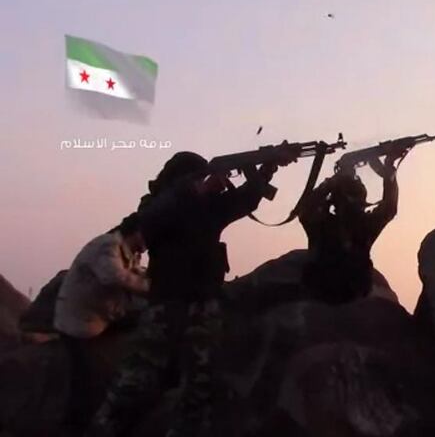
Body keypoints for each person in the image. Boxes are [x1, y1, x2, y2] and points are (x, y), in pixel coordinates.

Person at [86, 150, 294, 437]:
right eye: (198, 177)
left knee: (200, 387)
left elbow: (244, 199)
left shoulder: (208, 207)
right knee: (135, 383)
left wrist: (266, 169)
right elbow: (150, 222)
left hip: (202, 306)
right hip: (166, 304)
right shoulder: (159, 204)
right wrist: (195, 190)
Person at [54, 213, 149, 435]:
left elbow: (135, 275)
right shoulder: (108, 245)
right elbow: (113, 276)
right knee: (86, 385)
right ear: (137, 231)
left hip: (100, 320)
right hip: (78, 324)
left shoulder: (129, 254)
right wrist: (150, 288)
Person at [298, 150, 400, 304]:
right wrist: (389, 173)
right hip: (327, 293)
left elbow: (389, 209)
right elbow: (389, 208)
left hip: (344, 294)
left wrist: (331, 183)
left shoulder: (324, 223)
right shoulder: (326, 224)